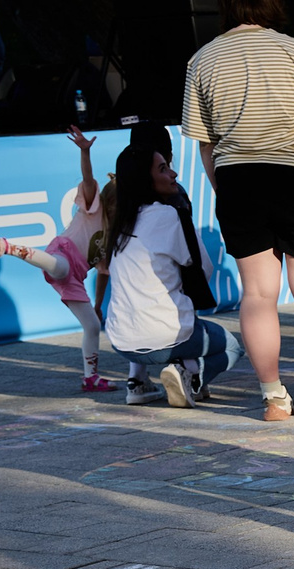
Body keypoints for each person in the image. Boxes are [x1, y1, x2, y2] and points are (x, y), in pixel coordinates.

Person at [183, 0, 294, 423]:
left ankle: (274, 399)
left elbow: (205, 144)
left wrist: (224, 187)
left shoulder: (201, 59)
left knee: (257, 294)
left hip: (240, 182)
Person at [101, 143, 239, 409]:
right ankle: (189, 375)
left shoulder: (119, 224)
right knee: (232, 347)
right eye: (163, 169)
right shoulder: (168, 215)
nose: (173, 175)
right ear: (146, 180)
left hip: (121, 341)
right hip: (168, 336)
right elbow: (202, 269)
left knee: (180, 334)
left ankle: (139, 383)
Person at [0, 128, 108, 392]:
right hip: (62, 253)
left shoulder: (119, 233)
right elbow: (88, 179)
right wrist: (85, 151)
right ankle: (9, 247)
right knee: (59, 266)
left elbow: (104, 271)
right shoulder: (94, 206)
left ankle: (91, 377)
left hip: (76, 277)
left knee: (93, 325)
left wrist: (98, 304)